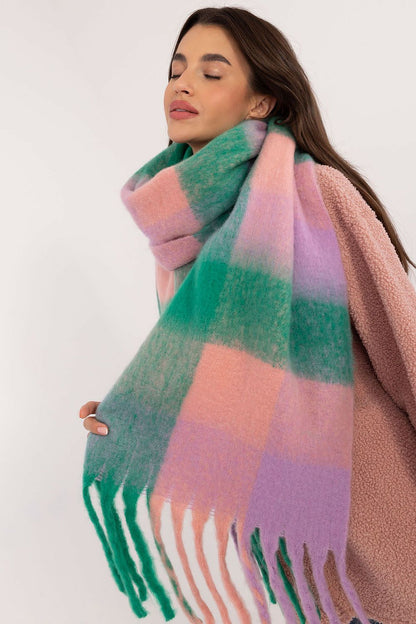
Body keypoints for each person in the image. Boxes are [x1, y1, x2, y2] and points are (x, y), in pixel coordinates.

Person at [79, 7, 416, 624]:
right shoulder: (174, 232)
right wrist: (133, 413)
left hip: (379, 497)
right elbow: (214, 377)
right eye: (176, 70)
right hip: (283, 525)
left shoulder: (320, 194)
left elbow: (404, 342)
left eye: (211, 73)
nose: (183, 85)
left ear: (262, 101)